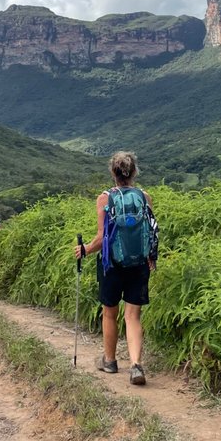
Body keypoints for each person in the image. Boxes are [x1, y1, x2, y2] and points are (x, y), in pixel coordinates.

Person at [73, 151, 155, 386]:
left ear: (113, 172)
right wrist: (152, 257)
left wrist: (85, 250)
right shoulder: (144, 196)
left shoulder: (105, 198)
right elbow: (152, 231)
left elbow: (101, 238)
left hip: (112, 263)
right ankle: (136, 365)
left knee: (110, 312)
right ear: (134, 171)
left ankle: (109, 361)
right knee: (133, 315)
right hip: (139, 263)